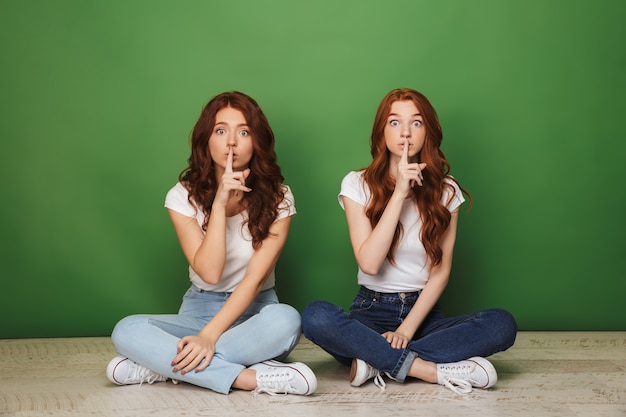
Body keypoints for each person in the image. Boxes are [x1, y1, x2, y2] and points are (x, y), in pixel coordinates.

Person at [301, 88, 517, 395]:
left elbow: (440, 272)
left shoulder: (447, 190)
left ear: (427, 131)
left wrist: (405, 330)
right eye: (394, 123)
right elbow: (370, 263)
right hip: (370, 312)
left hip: (423, 316)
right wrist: (400, 193)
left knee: (501, 324)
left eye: (416, 123)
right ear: (381, 132)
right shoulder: (357, 184)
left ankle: (376, 360)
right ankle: (425, 369)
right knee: (315, 317)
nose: (405, 133)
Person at [106, 91, 316, 396]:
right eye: (221, 131)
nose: (231, 142)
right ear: (207, 140)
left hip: (256, 312)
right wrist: (218, 206)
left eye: (243, 132)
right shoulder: (181, 196)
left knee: (287, 320)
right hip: (199, 308)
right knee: (126, 330)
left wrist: (208, 337)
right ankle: (248, 377)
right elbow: (211, 273)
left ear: (256, 142)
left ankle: (165, 367)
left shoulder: (280, 197)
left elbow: (255, 280)